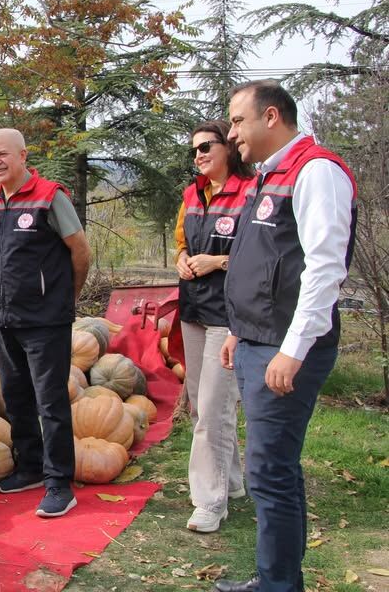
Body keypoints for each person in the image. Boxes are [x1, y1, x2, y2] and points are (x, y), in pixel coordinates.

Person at [213, 81, 356, 592]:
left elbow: (323, 271)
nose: (231, 134)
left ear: (271, 117)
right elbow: (263, 264)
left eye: (236, 121)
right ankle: (276, 579)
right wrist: (238, 331)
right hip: (257, 341)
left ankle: (278, 585)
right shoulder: (268, 177)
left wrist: (292, 351)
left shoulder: (316, 172)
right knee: (273, 470)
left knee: (269, 473)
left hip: (286, 347)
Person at [0, 128, 92, 518]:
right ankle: (28, 466)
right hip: (5, 318)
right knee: (16, 398)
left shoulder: (50, 196)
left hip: (46, 321)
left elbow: (80, 250)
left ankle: (60, 483)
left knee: (52, 402)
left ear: (23, 155)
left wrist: (66, 298)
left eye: (3, 155)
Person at [174, 120, 256, 534]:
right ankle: (233, 482)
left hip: (230, 315)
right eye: (195, 150)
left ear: (229, 147)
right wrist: (184, 260)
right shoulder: (192, 194)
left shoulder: (252, 191)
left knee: (213, 407)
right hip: (193, 311)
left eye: (207, 146)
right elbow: (181, 243)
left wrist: (219, 262)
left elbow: (264, 251)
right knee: (200, 403)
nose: (199, 154)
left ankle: (209, 502)